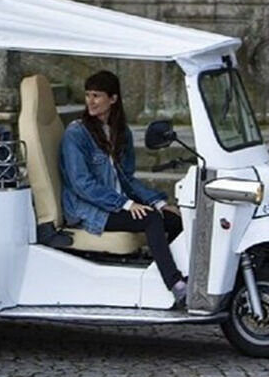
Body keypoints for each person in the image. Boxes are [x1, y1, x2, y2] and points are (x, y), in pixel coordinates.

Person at [59, 70, 187, 305]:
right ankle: (176, 284)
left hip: (116, 204)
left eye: (97, 96)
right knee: (150, 220)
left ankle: (170, 273)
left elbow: (127, 178)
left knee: (174, 219)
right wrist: (125, 204)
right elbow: (82, 184)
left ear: (113, 99)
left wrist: (158, 202)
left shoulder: (121, 133)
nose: (91, 102)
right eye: (88, 95)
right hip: (90, 210)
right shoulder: (76, 134)